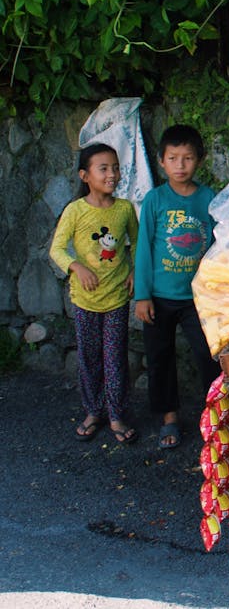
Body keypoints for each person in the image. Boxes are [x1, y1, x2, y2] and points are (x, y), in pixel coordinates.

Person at [50, 143, 140, 444]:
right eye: (103, 168)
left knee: (115, 358)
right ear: (85, 175)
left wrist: (134, 272)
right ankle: (93, 411)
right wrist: (77, 266)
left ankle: (116, 415)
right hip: (85, 300)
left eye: (115, 167)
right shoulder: (75, 210)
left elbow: (137, 244)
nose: (112, 174)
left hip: (116, 297)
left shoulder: (125, 208)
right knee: (89, 358)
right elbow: (57, 249)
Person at [134, 125, 216, 450]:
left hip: (197, 299)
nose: (180, 165)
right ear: (161, 162)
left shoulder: (208, 198)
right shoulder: (154, 200)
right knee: (160, 358)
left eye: (187, 158)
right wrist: (142, 295)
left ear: (200, 160)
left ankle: (216, 415)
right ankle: (168, 418)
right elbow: (143, 250)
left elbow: (219, 246)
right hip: (158, 298)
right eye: (173, 158)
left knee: (208, 356)